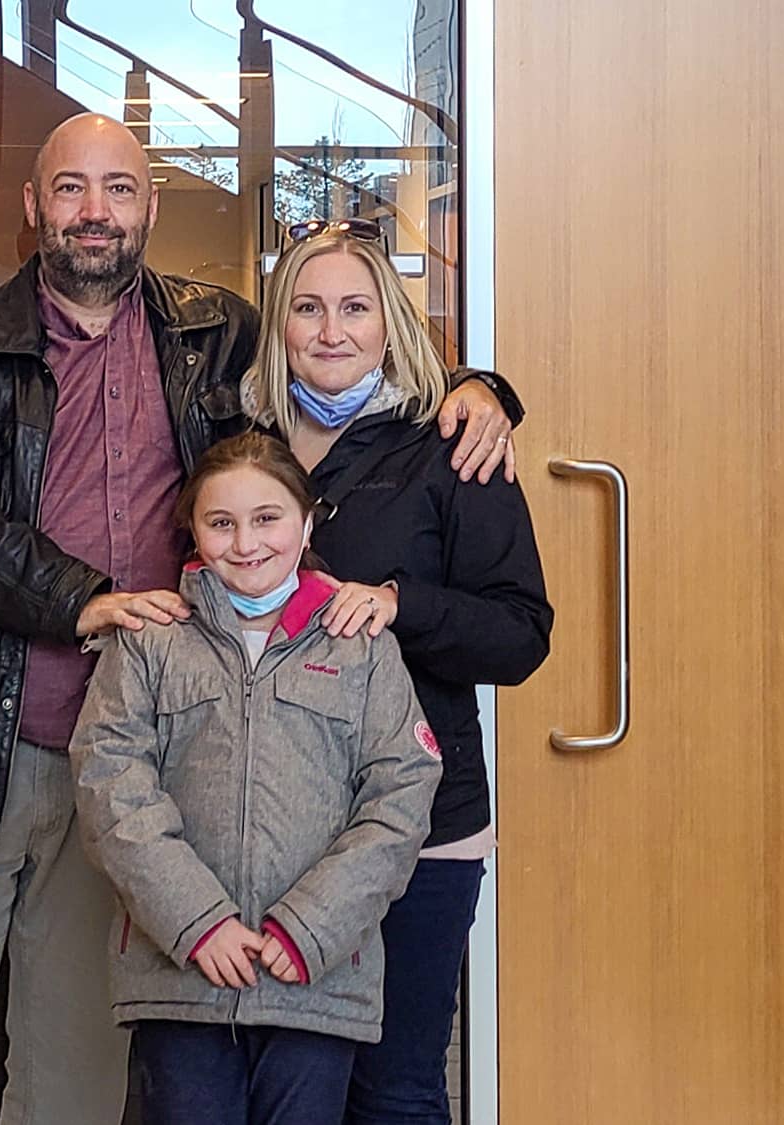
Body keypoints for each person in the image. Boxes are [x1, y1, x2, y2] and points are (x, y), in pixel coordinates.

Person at [0, 111, 517, 1125]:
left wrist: (476, 388)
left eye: (117, 189)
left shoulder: (215, 335)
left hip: (136, 763)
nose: (94, 212)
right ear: (33, 208)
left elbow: (339, 355)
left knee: (73, 1075)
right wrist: (77, 597)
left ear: (149, 208)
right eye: (69, 189)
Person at [242, 219, 553, 1124]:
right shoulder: (239, 443)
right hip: (275, 823)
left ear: (392, 325)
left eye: (354, 307)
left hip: (424, 826)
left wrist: (398, 601)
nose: (330, 330)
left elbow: (519, 634)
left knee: (396, 1088)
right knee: (288, 1090)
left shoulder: (454, 445)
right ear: (280, 325)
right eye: (307, 307)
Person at [69, 431, 442, 1125]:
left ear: (305, 522)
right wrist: (197, 922)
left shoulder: (359, 644)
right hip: (181, 975)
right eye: (221, 522)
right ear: (194, 532)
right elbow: (109, 782)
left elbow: (400, 797)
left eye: (267, 518)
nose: (246, 543)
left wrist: (309, 927)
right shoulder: (151, 640)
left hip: (316, 978)